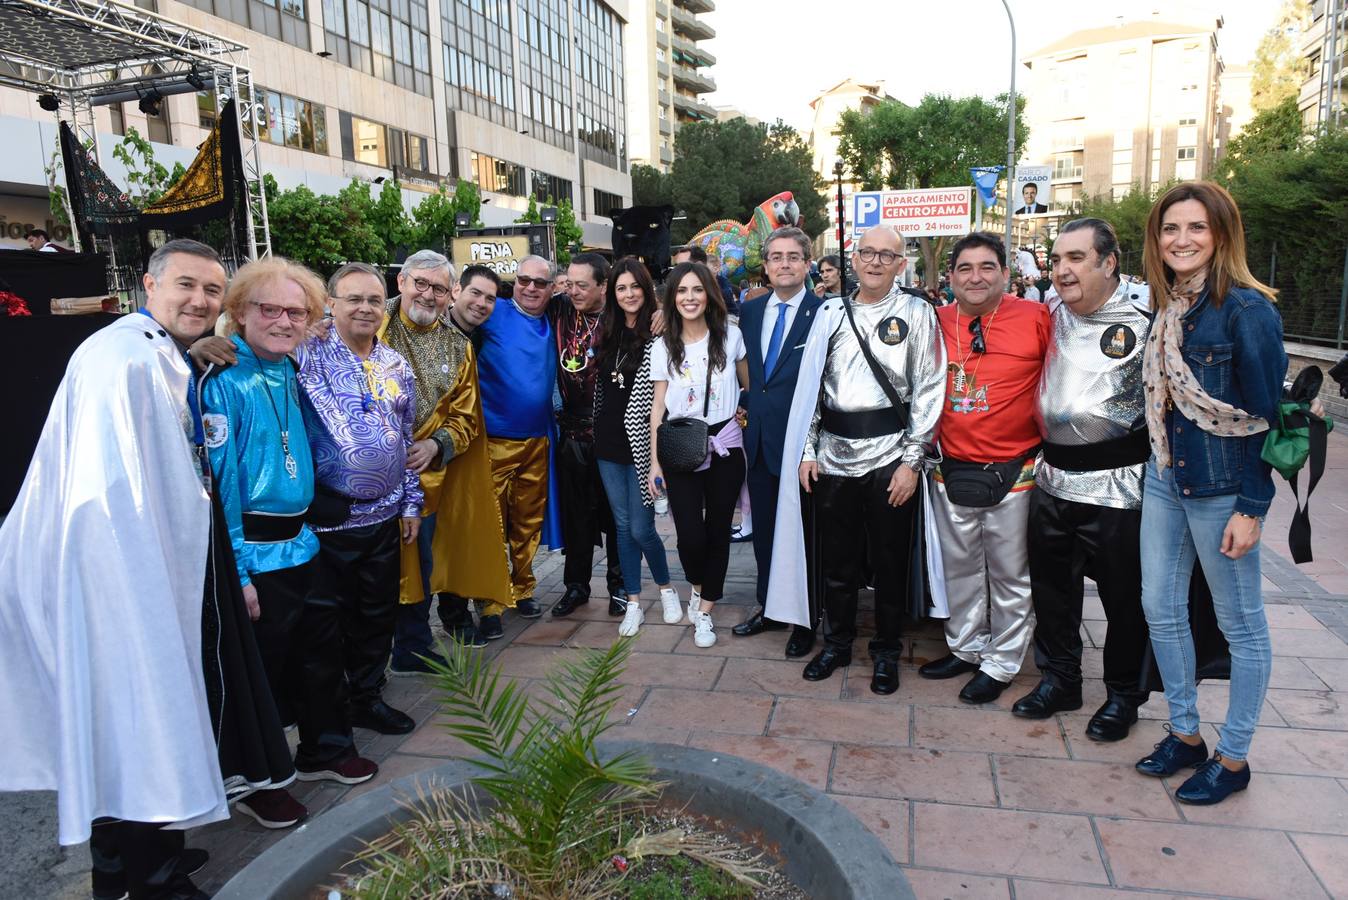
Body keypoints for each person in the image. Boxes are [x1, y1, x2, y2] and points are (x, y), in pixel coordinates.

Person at [0, 239, 291, 900]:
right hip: (122, 577)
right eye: (187, 285)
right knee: (138, 713)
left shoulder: (150, 349)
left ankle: (133, 861)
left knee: (131, 714)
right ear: (148, 285)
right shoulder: (124, 359)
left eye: (213, 291)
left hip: (142, 568)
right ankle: (147, 878)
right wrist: (143, 587)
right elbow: (115, 491)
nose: (201, 301)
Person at [202, 257, 378, 828]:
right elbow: (221, 484)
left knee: (320, 655)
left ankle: (324, 749)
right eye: (267, 309)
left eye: (294, 311)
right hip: (254, 551)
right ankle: (257, 780)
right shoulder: (222, 379)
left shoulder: (293, 366)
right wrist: (241, 573)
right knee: (263, 672)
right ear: (240, 312)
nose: (282, 320)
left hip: (305, 542)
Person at [1132, 182, 1287, 804]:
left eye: (1196, 228)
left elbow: (1268, 418)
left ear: (1221, 235)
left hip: (1223, 487)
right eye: (1171, 228)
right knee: (1161, 609)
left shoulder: (1247, 311)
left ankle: (1235, 755)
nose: (1182, 240)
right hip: (1167, 476)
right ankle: (1186, 734)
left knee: (1241, 625)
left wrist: (1252, 508)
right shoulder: (1170, 307)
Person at [769, 226, 945, 693]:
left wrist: (913, 461)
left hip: (891, 457)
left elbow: (929, 389)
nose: (874, 262)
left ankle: (886, 651)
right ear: (854, 258)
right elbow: (812, 392)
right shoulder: (830, 313)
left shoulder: (917, 313)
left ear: (900, 264)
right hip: (833, 458)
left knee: (890, 563)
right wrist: (807, 450)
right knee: (837, 562)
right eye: (867, 252)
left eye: (886, 255)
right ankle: (838, 643)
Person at [1014, 219, 1153, 741]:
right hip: (1051, 481)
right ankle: (1061, 680)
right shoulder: (1050, 311)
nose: (1062, 271)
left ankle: (1122, 696)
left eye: (1076, 258)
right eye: (1056, 261)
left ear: (1108, 262)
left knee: (1123, 599)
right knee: (1052, 592)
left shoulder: (1147, 315)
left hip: (1120, 486)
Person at [919, 232, 1050, 704]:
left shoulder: (1037, 317)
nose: (976, 277)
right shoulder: (933, 321)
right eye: (965, 268)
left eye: (987, 267)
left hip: (1016, 470)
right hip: (949, 468)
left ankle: (1002, 662)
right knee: (960, 569)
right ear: (950, 276)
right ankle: (966, 646)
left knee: (1011, 573)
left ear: (1005, 274)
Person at [296, 262, 423, 736]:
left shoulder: (394, 363)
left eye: (373, 299)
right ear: (331, 303)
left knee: (375, 615)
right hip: (327, 521)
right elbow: (251, 342)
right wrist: (214, 339)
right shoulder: (304, 352)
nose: (365, 308)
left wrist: (411, 502)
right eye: (353, 298)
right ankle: (328, 720)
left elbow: (408, 437)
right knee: (328, 625)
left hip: (385, 517)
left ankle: (367, 697)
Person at [384, 254, 512, 664]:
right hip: (361, 475)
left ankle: (412, 646)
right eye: (421, 283)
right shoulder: (371, 324)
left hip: (424, 476)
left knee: (419, 559)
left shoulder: (458, 346)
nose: (429, 294)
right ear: (402, 281)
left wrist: (436, 444)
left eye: (438, 288)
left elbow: (466, 416)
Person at [731, 226, 824, 659]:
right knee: (766, 531)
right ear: (765, 266)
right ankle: (769, 606)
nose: (783, 264)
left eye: (792, 257)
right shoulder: (750, 312)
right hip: (762, 440)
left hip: (806, 445)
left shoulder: (825, 314)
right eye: (775, 257)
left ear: (807, 264)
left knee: (805, 533)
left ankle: (806, 618)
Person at [647, 261, 750, 648]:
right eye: (682, 291)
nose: (690, 298)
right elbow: (658, 407)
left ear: (709, 295)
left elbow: (749, 386)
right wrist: (655, 461)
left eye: (697, 290)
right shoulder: (662, 345)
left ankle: (705, 611)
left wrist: (746, 411)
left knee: (718, 530)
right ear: (672, 299)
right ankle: (696, 585)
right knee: (689, 535)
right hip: (681, 447)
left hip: (725, 443)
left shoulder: (731, 336)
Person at [591, 258, 682, 635]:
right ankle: (632, 602)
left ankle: (665, 588)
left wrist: (663, 311)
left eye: (635, 287)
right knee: (623, 526)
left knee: (642, 528)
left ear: (647, 289)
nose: (629, 294)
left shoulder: (661, 331)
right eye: (621, 288)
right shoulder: (606, 328)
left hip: (644, 442)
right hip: (607, 441)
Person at [476, 254, 564, 636]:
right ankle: (490, 602)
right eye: (523, 280)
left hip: (537, 441)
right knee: (491, 525)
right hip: (492, 441)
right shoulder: (492, 311)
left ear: (552, 288)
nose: (530, 288)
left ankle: (523, 588)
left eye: (540, 283)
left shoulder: (557, 319)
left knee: (527, 525)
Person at [550, 252, 626, 618]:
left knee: (615, 515)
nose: (573, 291)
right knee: (576, 516)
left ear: (603, 286)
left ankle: (620, 586)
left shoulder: (621, 317)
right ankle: (576, 587)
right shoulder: (559, 310)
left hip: (612, 432)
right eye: (569, 283)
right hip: (572, 430)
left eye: (582, 285)